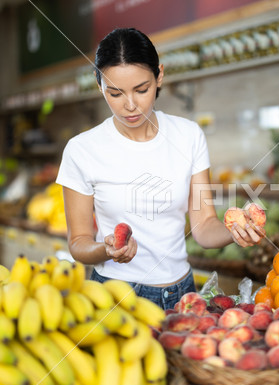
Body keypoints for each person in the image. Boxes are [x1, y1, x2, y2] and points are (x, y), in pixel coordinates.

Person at [56, 27, 265, 310]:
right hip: (116, 297)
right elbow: (78, 243)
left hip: (183, 294)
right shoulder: (82, 150)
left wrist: (236, 230)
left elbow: (203, 226)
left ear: (159, 76)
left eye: (142, 90)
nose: (130, 105)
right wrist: (105, 250)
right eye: (115, 93)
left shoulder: (188, 136)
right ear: (99, 86)